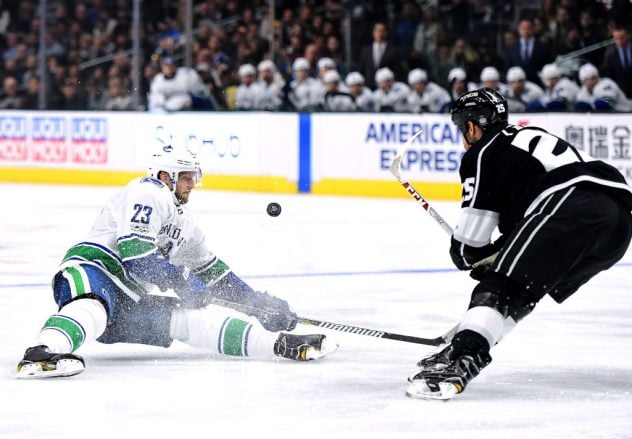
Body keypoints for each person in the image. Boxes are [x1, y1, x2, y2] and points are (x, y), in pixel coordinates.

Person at [16, 146, 336, 378]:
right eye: (186, 177)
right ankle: (41, 353)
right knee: (93, 305)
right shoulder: (148, 190)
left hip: (129, 299)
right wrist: (181, 280)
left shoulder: (186, 225)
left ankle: (277, 345)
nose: (192, 184)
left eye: (193, 177)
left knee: (189, 320)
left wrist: (257, 303)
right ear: (165, 176)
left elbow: (214, 273)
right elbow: (136, 255)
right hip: (94, 269)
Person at [407, 88, 632, 400]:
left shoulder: (484, 151)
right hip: (617, 225)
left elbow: (469, 244)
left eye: (462, 129)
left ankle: (464, 356)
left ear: (472, 126)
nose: (462, 137)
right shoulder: (525, 136)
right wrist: (495, 253)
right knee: (522, 289)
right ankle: (468, 343)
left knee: (498, 284)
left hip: (569, 204)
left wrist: (470, 257)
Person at [147, 56, 211, 112]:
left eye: (170, 65)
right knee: (156, 104)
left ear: (174, 66)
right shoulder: (158, 78)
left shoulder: (185, 74)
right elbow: (155, 95)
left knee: (180, 100)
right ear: (162, 67)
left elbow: (199, 93)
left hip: (188, 104)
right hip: (165, 106)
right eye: (166, 65)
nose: (168, 68)